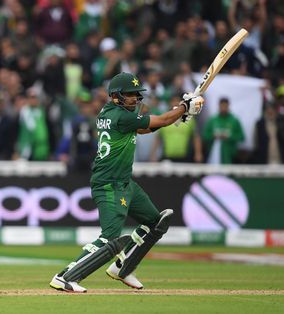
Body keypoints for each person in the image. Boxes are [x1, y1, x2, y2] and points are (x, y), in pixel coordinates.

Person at [49, 72, 203, 292]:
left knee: (156, 223)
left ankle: (123, 267)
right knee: (110, 238)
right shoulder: (120, 116)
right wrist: (183, 109)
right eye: (130, 95)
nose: (136, 99)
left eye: (137, 95)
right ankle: (66, 276)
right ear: (115, 97)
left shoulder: (112, 112)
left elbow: (143, 128)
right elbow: (157, 120)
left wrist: (178, 114)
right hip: (109, 184)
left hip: (124, 182)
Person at [203, 97, 245, 164]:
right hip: (214, 156)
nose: (223, 108)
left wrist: (229, 136)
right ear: (219, 106)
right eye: (222, 106)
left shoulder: (234, 120)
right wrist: (213, 136)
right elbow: (205, 136)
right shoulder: (213, 120)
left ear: (228, 106)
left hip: (230, 156)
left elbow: (241, 137)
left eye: (225, 106)